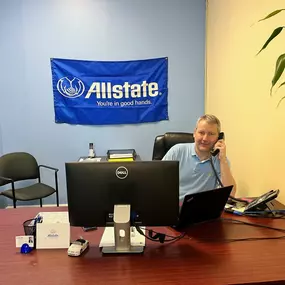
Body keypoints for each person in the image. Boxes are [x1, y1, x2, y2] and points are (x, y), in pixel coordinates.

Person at [162, 114, 236, 201]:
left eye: (211, 134)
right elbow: (158, 182)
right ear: (194, 133)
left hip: (202, 210)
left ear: (219, 137)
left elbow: (231, 195)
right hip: (174, 208)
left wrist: (223, 160)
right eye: (201, 133)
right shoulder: (177, 151)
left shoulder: (220, 160)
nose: (205, 138)